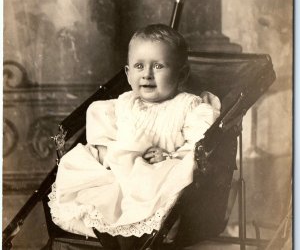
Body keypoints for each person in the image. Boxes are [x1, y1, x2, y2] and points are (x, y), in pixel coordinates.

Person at [48, 24, 221, 249]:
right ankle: (112, 235)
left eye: (158, 66)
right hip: (118, 175)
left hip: (155, 173)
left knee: (167, 181)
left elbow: (198, 144)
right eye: (139, 66)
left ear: (181, 74)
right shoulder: (122, 104)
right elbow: (102, 132)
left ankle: (136, 237)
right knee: (95, 191)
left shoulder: (188, 106)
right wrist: (105, 153)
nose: (147, 74)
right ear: (128, 74)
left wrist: (170, 155)